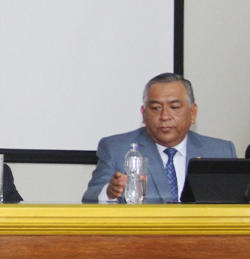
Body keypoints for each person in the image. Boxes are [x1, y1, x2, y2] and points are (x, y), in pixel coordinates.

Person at [82, 73, 237, 203]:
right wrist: (109, 192)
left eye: (174, 107)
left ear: (193, 112)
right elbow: (90, 199)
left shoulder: (221, 152)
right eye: (156, 108)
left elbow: (237, 205)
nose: (164, 116)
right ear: (143, 114)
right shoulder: (116, 149)